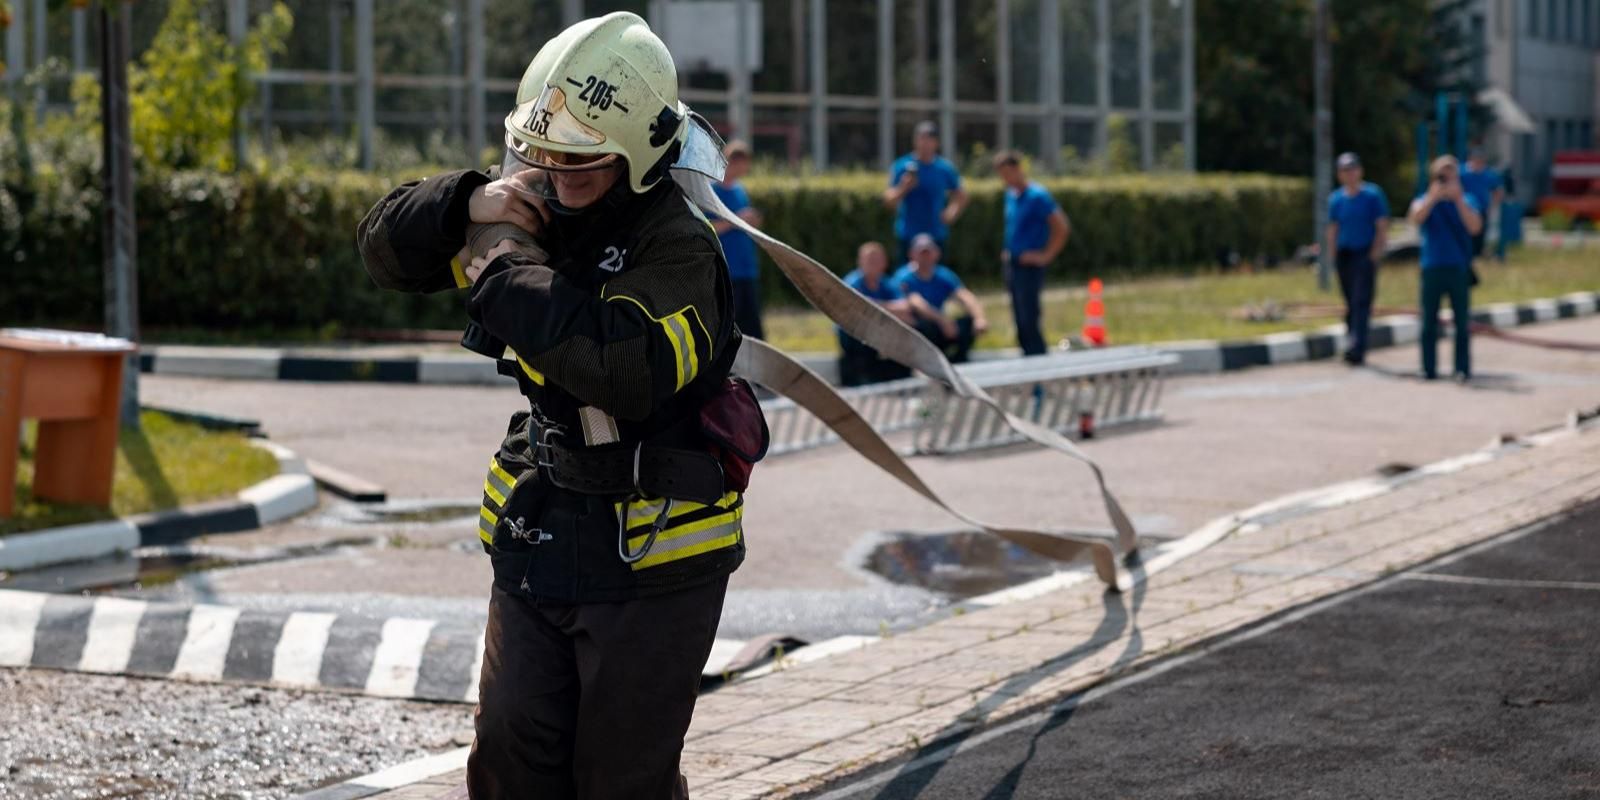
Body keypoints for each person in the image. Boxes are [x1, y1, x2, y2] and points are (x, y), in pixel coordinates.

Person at [356, 13, 757, 799]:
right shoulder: (539, 189)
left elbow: (621, 365)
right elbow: (382, 249)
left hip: (654, 553)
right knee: (509, 756)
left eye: (579, 165)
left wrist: (499, 271)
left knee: (618, 778)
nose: (554, 180)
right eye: (543, 158)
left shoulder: (679, 247)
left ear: (639, 155)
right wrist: (467, 203)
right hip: (541, 528)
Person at [1408, 155, 1482, 382]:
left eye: (1451, 175)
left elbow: (1475, 227)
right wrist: (1433, 197)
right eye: (1442, 175)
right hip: (1431, 267)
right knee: (1428, 321)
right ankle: (1428, 368)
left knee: (1461, 322)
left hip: (1458, 267)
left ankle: (1462, 369)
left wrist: (1458, 200)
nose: (1446, 179)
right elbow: (1415, 219)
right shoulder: (1424, 199)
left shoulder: (1467, 200)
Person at [993, 150, 1070, 357]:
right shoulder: (1011, 195)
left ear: (1019, 169)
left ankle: (1038, 363)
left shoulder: (1037, 196)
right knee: (1019, 319)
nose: (1005, 179)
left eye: (1008, 173)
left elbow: (1061, 227)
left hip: (1030, 266)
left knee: (1029, 318)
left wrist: (1046, 255)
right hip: (1013, 264)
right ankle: (1027, 359)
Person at [1324, 151, 1390, 366]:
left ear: (1360, 171)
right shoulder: (1336, 199)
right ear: (1339, 174)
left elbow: (1381, 225)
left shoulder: (1372, 195)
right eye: (1345, 170)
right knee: (1350, 303)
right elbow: (1333, 229)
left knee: (1361, 301)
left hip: (1365, 253)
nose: (1349, 174)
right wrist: (1332, 254)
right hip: (1345, 255)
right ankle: (1352, 340)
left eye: (1352, 169)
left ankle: (1357, 347)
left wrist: (1376, 251)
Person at [893, 233, 988, 363]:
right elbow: (916, 303)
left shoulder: (943, 275)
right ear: (912, 254)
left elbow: (965, 296)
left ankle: (959, 359)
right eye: (922, 253)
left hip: (940, 325)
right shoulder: (904, 277)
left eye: (928, 253)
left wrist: (979, 318)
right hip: (919, 327)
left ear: (936, 253)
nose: (925, 257)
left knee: (967, 322)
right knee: (923, 326)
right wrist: (942, 320)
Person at [883, 120, 968, 263]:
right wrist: (904, 187)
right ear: (915, 141)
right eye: (921, 139)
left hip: (936, 234)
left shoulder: (944, 168)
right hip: (908, 234)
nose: (925, 144)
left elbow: (961, 195)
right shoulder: (902, 166)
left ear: (936, 143)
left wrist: (951, 213)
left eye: (929, 139)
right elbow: (888, 201)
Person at [838, 241, 914, 386]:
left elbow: (905, 308)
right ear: (860, 262)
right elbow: (853, 308)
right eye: (869, 260)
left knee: (911, 326)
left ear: (884, 263)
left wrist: (874, 306)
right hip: (854, 335)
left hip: (879, 331)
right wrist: (887, 309)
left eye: (877, 260)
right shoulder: (852, 282)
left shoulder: (887, 283)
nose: (873, 264)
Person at [711, 140, 765, 339]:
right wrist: (737, 220)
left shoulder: (740, 190)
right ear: (733, 161)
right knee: (729, 326)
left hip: (747, 269)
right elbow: (708, 228)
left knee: (753, 328)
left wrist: (752, 221)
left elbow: (743, 223)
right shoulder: (712, 191)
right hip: (727, 271)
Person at [1460, 149, 1504, 259]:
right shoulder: (1462, 173)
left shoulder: (1487, 174)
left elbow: (1497, 190)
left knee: (1480, 232)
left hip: (1482, 209)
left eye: (1480, 161)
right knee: (1465, 232)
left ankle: (1477, 254)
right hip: (1465, 208)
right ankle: (1466, 252)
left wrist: (1493, 204)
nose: (1478, 163)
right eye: (1476, 160)